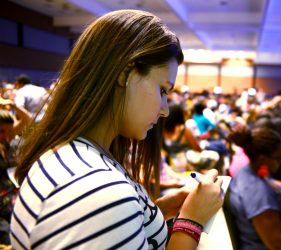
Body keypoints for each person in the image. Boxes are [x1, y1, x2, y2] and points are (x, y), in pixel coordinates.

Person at [10, 10, 223, 250]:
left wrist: (158, 211)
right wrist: (191, 222)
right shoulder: (95, 187)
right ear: (125, 74)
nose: (164, 110)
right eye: (162, 90)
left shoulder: (74, 156)